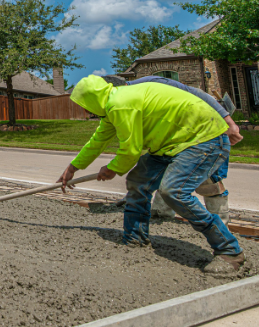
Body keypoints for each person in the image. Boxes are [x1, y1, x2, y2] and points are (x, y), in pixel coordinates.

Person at [58, 75, 245, 275]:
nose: (85, 110)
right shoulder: (113, 106)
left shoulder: (120, 104)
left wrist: (111, 169)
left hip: (203, 139)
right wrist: (73, 168)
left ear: (91, 99)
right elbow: (97, 142)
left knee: (174, 191)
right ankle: (135, 238)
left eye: (84, 105)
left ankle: (229, 251)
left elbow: (131, 150)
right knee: (138, 182)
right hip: (171, 144)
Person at [102, 75, 240, 222]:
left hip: (204, 129)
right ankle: (160, 214)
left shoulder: (153, 84)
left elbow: (200, 95)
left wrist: (229, 122)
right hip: (174, 135)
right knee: (167, 171)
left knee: (210, 180)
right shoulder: (127, 104)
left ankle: (221, 223)